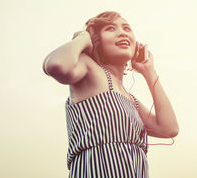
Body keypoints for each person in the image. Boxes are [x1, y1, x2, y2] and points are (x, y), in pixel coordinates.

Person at [42, 11, 179, 178]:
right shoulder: (90, 69)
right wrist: (83, 38)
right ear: (96, 41)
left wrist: (149, 71)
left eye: (127, 28)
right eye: (110, 28)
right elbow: (56, 65)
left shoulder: (132, 100)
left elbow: (169, 128)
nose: (122, 32)